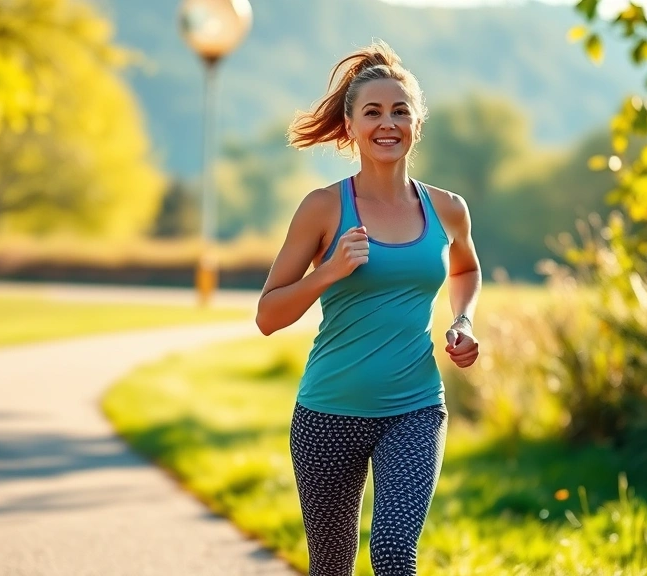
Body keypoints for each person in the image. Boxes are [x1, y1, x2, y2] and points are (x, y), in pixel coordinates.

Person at [254, 39, 482, 575]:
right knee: (332, 565)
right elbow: (268, 316)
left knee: (394, 556)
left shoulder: (448, 209)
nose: (387, 123)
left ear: (417, 123)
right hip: (329, 411)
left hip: (415, 408)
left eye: (400, 111)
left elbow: (466, 269)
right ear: (351, 126)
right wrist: (329, 271)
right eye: (373, 112)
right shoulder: (323, 208)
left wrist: (463, 319)